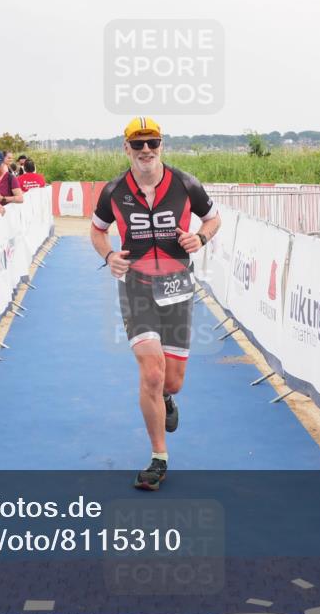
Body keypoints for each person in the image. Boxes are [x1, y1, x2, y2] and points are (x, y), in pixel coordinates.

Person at [89, 117, 221, 491]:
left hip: (178, 285)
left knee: (172, 381)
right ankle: (158, 459)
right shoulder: (114, 190)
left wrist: (201, 238)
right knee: (150, 371)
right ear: (126, 147)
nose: (146, 149)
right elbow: (97, 229)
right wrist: (109, 255)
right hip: (137, 286)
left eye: (153, 142)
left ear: (162, 145)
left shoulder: (185, 183)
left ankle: (166, 396)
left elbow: (213, 219)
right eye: (138, 143)